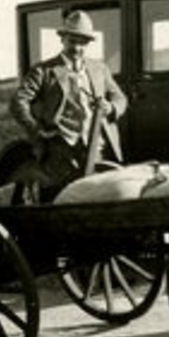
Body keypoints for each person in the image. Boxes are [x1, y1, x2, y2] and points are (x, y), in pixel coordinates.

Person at [10, 10, 129, 199]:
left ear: (88, 44)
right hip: (60, 151)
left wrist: (111, 108)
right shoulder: (44, 71)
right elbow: (18, 102)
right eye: (72, 41)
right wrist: (36, 130)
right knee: (57, 201)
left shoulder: (99, 69)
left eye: (82, 42)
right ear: (63, 39)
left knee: (97, 201)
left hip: (96, 148)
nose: (77, 47)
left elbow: (120, 98)